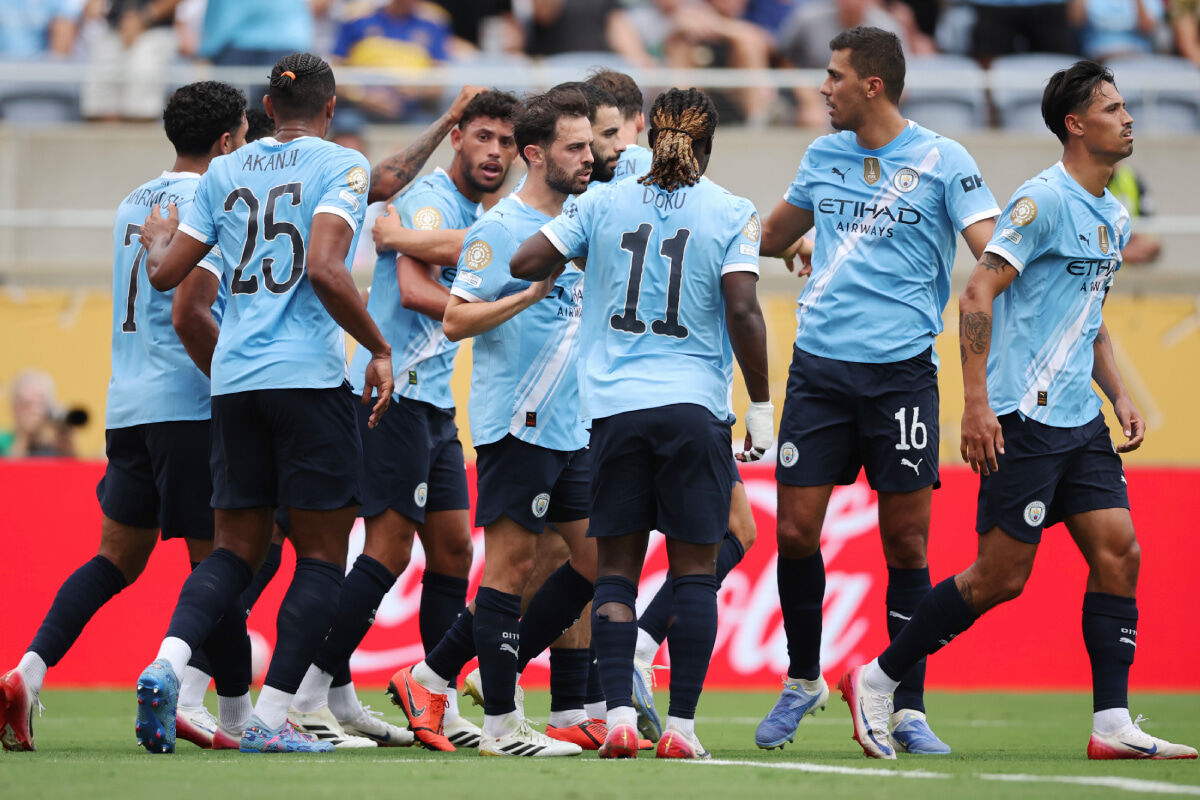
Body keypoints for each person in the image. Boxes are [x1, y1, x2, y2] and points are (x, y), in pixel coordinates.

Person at [840, 60, 1198, 762]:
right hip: (1024, 417)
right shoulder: (1043, 201)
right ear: (1076, 124)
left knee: (1120, 551)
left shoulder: (1113, 212)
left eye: (1126, 107)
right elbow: (977, 293)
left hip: (1079, 419)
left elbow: (1088, 316)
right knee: (999, 579)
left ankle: (1111, 722)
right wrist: (977, 406)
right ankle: (877, 678)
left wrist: (1119, 393)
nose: (1129, 118)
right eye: (1113, 108)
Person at [132, 52, 394, 755]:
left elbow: (167, 276)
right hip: (307, 380)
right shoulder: (342, 164)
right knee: (322, 556)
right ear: (330, 107)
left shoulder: (223, 171)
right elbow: (327, 269)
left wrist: (158, 244)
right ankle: (272, 719)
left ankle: (167, 662)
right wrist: (378, 347)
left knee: (232, 552)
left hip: (234, 383)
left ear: (268, 110)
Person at [756, 26, 1000, 755]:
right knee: (794, 532)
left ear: (873, 84)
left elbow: (995, 254)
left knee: (906, 543)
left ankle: (905, 705)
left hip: (901, 376)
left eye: (834, 76)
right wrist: (799, 241)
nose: (822, 87)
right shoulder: (822, 156)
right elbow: (769, 237)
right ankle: (804, 678)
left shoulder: (944, 160)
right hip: (819, 370)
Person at [510, 86, 773, 760]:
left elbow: (524, 262)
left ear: (650, 138)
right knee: (695, 572)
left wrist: (584, 253)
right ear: (706, 144)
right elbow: (743, 309)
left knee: (616, 574)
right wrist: (762, 405)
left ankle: (620, 720)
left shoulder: (603, 202)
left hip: (615, 412)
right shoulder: (733, 210)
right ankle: (681, 729)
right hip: (693, 409)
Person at [0, 81, 250, 753]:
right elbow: (192, 310)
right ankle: (235, 714)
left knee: (116, 557)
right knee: (223, 560)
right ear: (227, 140)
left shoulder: (130, 202)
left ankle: (27, 672)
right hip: (190, 405)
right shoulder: (215, 201)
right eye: (243, 135)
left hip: (128, 406)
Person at [288, 89, 521, 750]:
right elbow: (414, 290)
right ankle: (305, 694)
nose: (494, 152)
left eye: (505, 142)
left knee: (454, 548)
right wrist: (494, 309)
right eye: (483, 137)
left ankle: (433, 698)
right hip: (392, 394)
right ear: (458, 139)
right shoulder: (430, 204)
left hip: (435, 402)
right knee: (388, 549)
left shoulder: (478, 217)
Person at [386, 85, 596, 759]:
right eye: (575, 147)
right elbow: (455, 318)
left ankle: (429, 677)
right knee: (511, 567)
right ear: (537, 155)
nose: (588, 157)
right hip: (518, 419)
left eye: (590, 145)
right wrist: (529, 295)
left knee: (596, 561)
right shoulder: (499, 230)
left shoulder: (581, 218)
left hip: (571, 422)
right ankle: (503, 726)